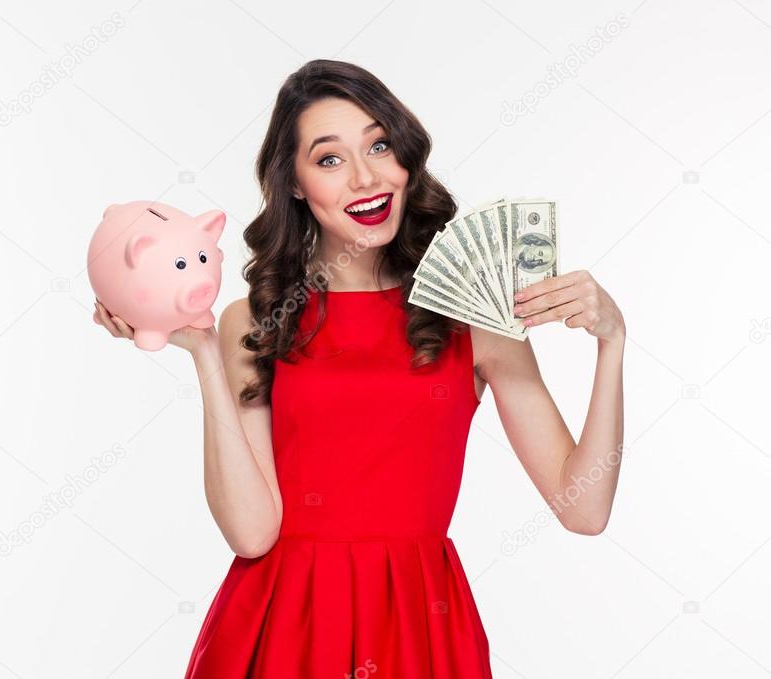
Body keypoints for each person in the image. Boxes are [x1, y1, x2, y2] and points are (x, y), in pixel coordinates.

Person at [93, 59, 626, 678]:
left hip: (418, 627)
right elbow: (252, 534)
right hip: (280, 628)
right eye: (329, 159)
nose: (366, 178)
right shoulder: (255, 318)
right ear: (293, 183)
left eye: (379, 145)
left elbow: (583, 512)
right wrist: (206, 354)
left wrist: (611, 344)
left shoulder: (473, 315)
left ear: (405, 158)